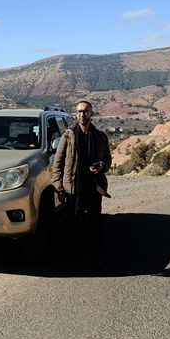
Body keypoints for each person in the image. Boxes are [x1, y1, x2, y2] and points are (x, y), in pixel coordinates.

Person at [52, 100, 112, 273]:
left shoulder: (100, 136)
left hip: (93, 186)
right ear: (75, 114)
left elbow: (108, 159)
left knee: (95, 225)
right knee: (73, 226)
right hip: (73, 187)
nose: (82, 115)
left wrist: (102, 166)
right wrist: (59, 186)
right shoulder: (68, 135)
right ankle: (73, 259)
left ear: (91, 114)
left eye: (85, 111)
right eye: (79, 112)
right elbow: (59, 162)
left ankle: (97, 259)